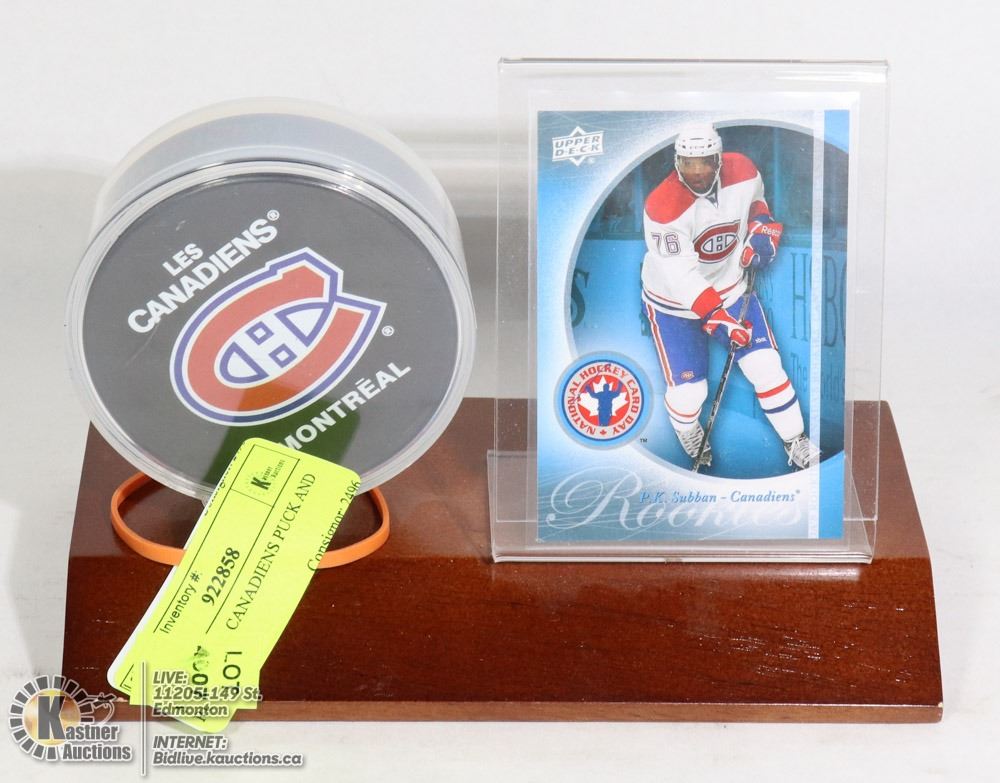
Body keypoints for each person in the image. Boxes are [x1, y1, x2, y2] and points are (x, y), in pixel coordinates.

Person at [641, 122, 817, 470]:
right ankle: (687, 428)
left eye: (705, 163)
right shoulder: (662, 208)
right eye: (689, 164)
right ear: (677, 162)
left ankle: (795, 440)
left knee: (765, 366)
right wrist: (715, 315)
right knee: (690, 393)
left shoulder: (744, 171)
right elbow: (680, 277)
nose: (697, 173)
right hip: (673, 305)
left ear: (718, 159)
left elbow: (757, 204)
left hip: (731, 289)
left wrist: (760, 230)